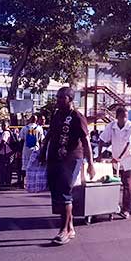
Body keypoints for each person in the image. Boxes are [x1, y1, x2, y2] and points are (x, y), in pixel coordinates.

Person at [39, 87, 95, 245]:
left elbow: (86, 142)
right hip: (54, 158)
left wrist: (90, 164)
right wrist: (43, 152)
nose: (57, 100)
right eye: (57, 97)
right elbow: (50, 134)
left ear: (70, 99)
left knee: (64, 193)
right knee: (57, 193)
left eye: (61, 98)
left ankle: (64, 230)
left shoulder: (77, 117)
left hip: (71, 159)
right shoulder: (57, 114)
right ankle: (70, 228)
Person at [99, 106, 131, 218]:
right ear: (117, 117)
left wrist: (119, 157)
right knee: (122, 181)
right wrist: (99, 155)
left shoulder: (130, 126)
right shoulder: (111, 126)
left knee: (127, 182)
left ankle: (126, 209)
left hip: (129, 157)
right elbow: (102, 140)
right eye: (122, 117)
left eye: (126, 117)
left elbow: (128, 144)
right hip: (117, 157)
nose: (125, 119)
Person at [19, 115, 44, 187]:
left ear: (30, 119)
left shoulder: (24, 128)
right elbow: (41, 140)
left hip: (26, 149)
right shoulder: (39, 128)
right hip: (35, 149)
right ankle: (34, 182)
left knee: (25, 166)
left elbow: (21, 139)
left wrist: (19, 151)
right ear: (36, 120)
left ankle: (23, 182)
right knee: (35, 166)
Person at [0, 122, 15, 186]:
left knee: (4, 168)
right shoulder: (9, 132)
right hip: (8, 152)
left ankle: (4, 182)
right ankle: (7, 181)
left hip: (5, 153)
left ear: (8, 126)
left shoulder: (5, 133)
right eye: (2, 125)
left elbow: (3, 142)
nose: (3, 126)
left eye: (4, 125)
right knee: (8, 168)